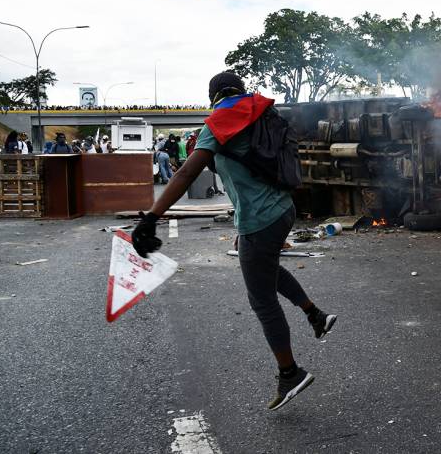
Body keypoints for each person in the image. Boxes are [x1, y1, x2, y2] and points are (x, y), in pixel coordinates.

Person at [132, 71, 335, 411]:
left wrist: (152, 217)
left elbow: (185, 173)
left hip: (260, 218)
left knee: (262, 300)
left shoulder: (218, 123)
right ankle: (314, 314)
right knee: (265, 267)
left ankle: (290, 373)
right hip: (283, 208)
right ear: (240, 90)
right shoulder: (264, 111)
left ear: (212, 96)